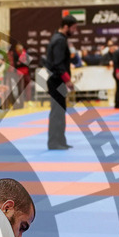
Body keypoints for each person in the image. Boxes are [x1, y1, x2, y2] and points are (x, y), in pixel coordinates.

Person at [44, 16, 77, 150]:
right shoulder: (59, 41)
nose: (75, 31)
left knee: (60, 111)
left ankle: (61, 140)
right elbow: (57, 63)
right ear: (66, 26)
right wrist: (67, 79)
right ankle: (54, 142)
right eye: (73, 28)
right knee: (57, 112)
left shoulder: (60, 39)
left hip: (58, 80)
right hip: (57, 80)